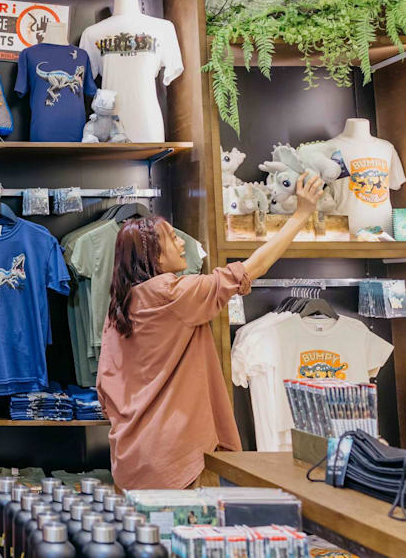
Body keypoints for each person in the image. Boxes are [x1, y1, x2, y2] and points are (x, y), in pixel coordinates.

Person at [98, 175, 326, 489]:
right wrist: (301, 214)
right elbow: (253, 268)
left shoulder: (121, 306)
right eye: (172, 238)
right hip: (179, 457)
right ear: (155, 255)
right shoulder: (174, 293)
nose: (182, 243)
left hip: (132, 455)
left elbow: (105, 388)